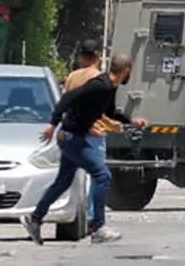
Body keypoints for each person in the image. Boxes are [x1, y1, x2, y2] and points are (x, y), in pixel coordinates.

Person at [22, 53, 146, 245]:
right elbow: (68, 97)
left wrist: (131, 121)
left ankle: (35, 218)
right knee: (103, 176)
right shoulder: (100, 85)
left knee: (63, 182)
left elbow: (109, 112)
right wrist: (53, 124)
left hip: (74, 137)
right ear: (126, 71)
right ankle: (98, 228)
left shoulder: (110, 88)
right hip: (71, 138)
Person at [62, 39, 116, 229]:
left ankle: (74, 211)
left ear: (81, 56)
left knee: (71, 176)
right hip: (95, 135)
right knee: (98, 177)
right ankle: (93, 218)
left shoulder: (72, 77)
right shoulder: (100, 78)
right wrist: (112, 124)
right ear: (98, 56)